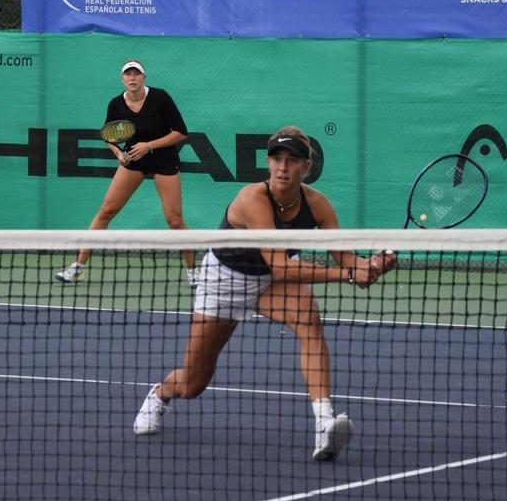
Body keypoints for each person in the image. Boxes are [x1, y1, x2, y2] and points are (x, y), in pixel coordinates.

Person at [132, 126, 397, 461]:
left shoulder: (318, 206)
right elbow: (284, 267)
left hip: (271, 283)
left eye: (292, 160)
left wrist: (370, 266)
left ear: (306, 168)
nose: (283, 167)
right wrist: (348, 273)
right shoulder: (252, 199)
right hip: (225, 281)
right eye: (277, 159)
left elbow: (347, 262)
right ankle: (159, 394)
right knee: (193, 384)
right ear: (269, 164)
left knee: (308, 320)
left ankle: (323, 422)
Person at [55, 59, 196, 285]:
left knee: (175, 220)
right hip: (132, 160)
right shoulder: (116, 104)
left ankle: (193, 271)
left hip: (163, 159)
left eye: (136, 74)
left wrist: (148, 145)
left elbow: (181, 133)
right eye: (128, 74)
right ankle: (78, 267)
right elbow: (108, 136)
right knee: (106, 210)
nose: (132, 78)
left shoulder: (161, 98)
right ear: (122, 79)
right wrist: (118, 153)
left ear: (144, 78)